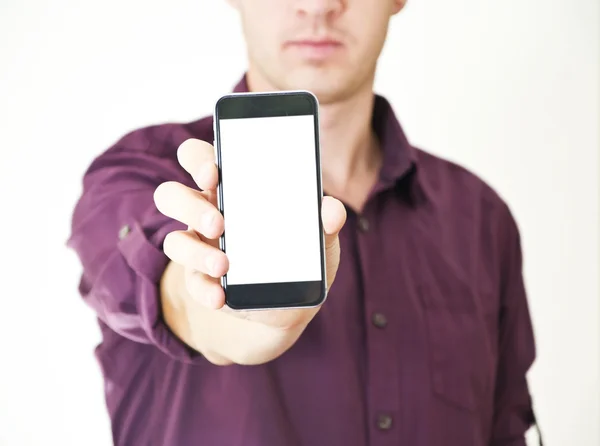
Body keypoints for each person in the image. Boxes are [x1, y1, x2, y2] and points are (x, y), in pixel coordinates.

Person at [68, 0, 540, 445]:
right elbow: (159, 284)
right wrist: (216, 313)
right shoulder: (139, 178)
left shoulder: (482, 220)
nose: (318, 5)